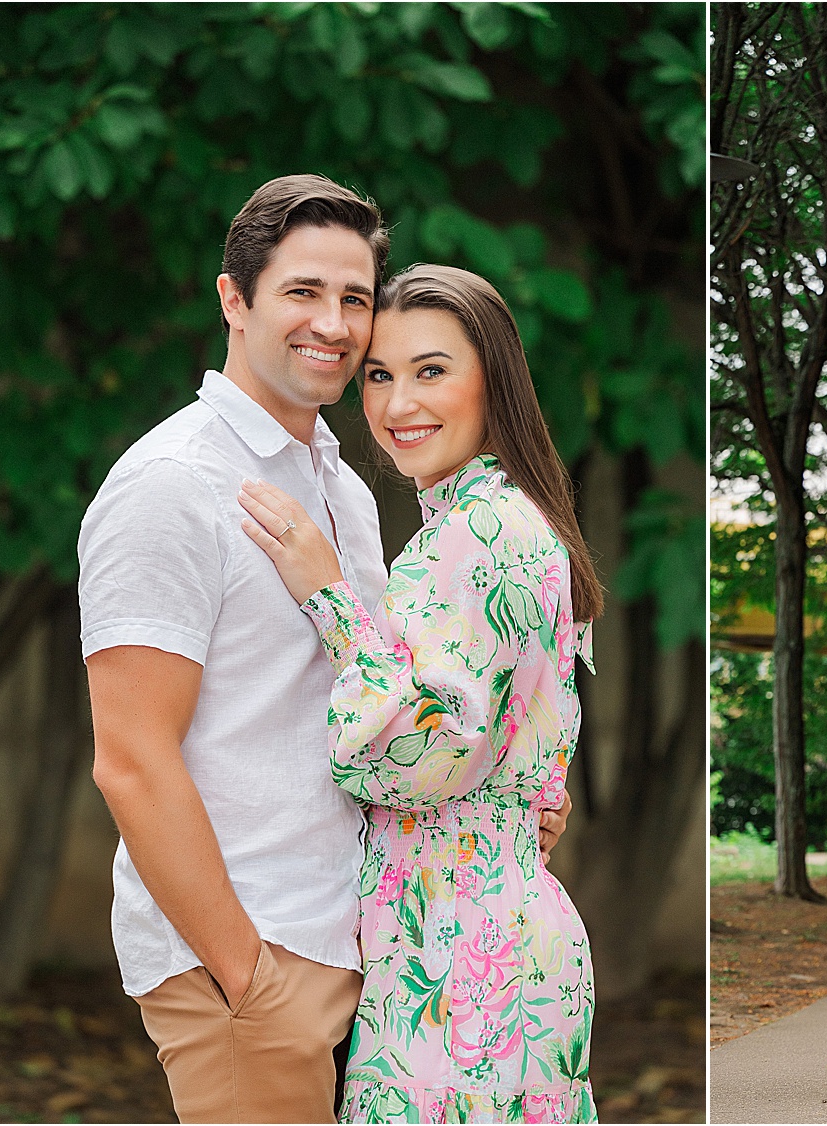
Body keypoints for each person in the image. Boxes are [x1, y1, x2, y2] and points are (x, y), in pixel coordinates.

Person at [79, 175, 572, 1123]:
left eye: (354, 298)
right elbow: (130, 761)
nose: (336, 325)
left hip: (369, 944)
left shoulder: (343, 486)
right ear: (235, 298)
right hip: (255, 959)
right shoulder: (172, 484)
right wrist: (246, 976)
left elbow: (401, 695)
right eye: (303, 291)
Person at [237, 263, 602, 1123]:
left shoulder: (473, 533)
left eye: (431, 371)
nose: (399, 404)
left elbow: (413, 757)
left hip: (459, 960)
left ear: (494, 381)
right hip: (493, 938)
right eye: (379, 376)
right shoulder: (515, 518)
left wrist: (332, 600)